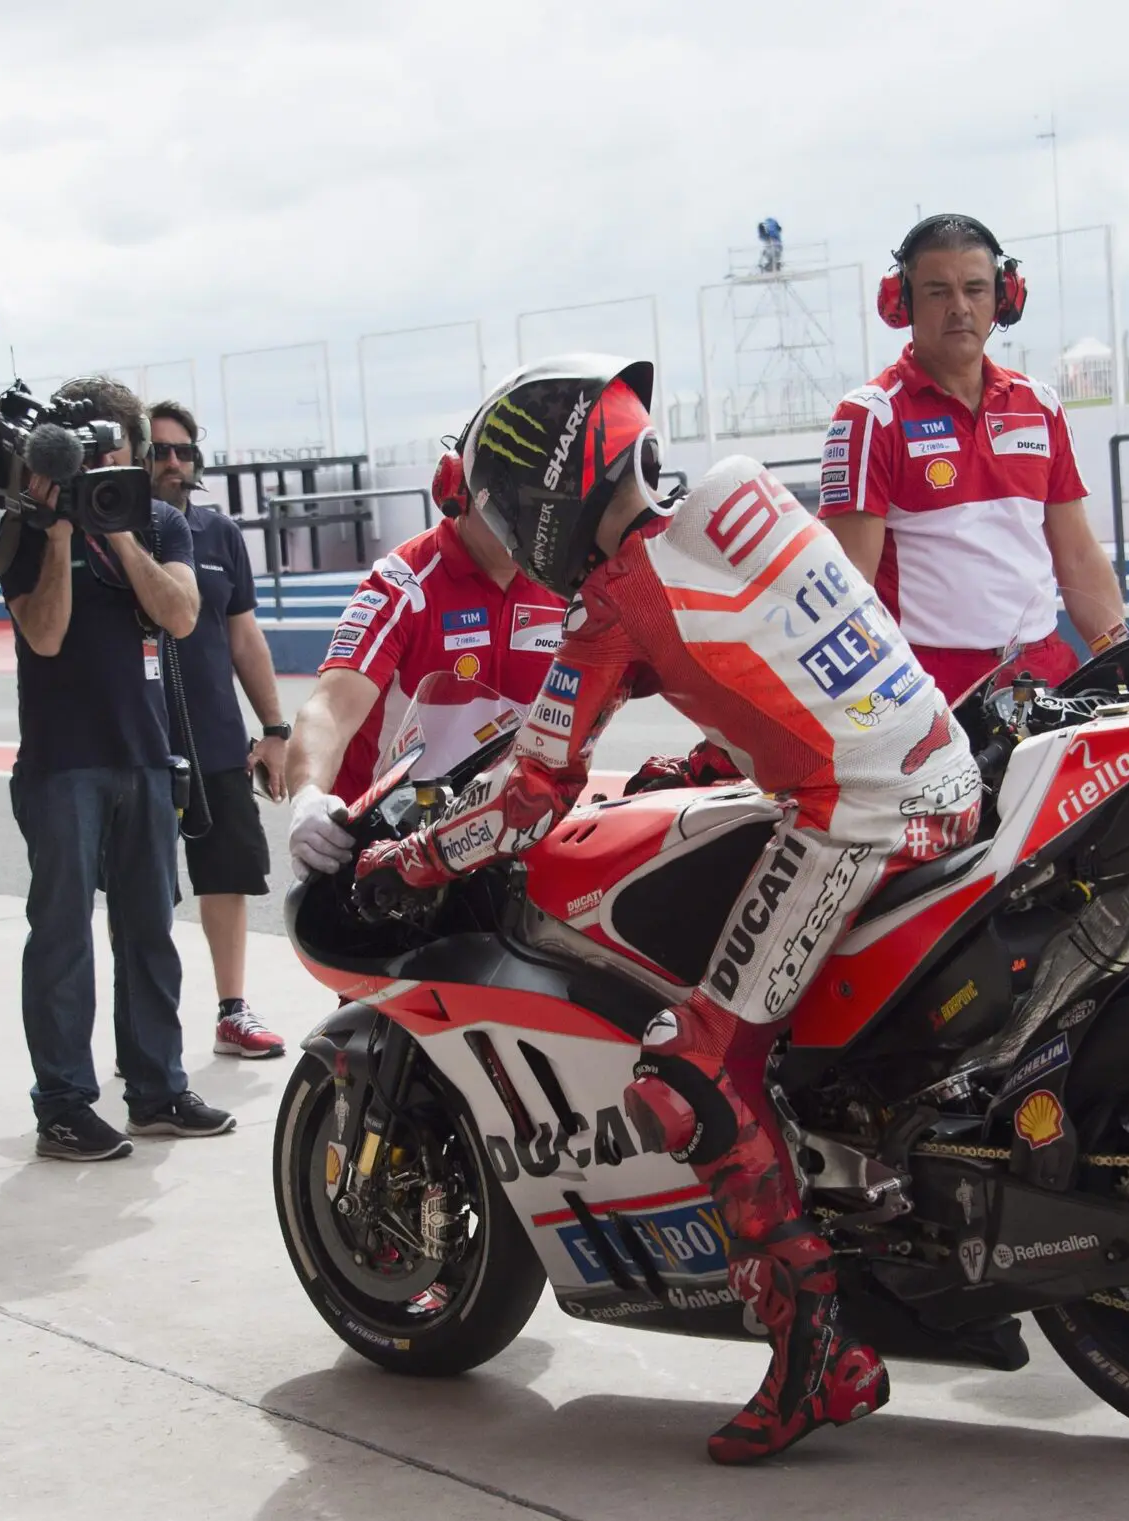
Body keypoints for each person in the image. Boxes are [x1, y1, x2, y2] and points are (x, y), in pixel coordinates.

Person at [337, 357, 982, 1464]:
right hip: (946, 771)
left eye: (506, 501)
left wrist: (411, 860)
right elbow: (780, 656)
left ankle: (817, 1351)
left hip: (859, 814)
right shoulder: (742, 493)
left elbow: (531, 795)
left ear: (545, 497)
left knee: (692, 1069)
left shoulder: (612, 602)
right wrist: (706, 754)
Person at [0, 377, 232, 1159]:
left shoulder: (161, 521)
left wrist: (121, 532)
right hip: (62, 762)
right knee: (62, 939)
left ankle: (157, 1091)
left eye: (110, 448)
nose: (99, 463)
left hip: (145, 757)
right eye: (85, 451)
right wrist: (61, 532)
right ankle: (64, 1105)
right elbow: (45, 636)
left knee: (150, 935)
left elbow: (182, 615)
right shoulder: (26, 526)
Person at [820, 213, 1129, 704]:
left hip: (1044, 673)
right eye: (937, 292)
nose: (959, 307)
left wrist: (1126, 661)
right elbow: (849, 585)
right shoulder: (870, 417)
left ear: (1003, 298)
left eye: (975, 289)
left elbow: (1077, 555)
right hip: (928, 689)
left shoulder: (1040, 405)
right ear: (903, 302)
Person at [282, 442, 561, 880]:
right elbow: (329, 709)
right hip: (387, 845)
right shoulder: (402, 584)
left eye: (543, 507)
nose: (529, 524)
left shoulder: (565, 583)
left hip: (508, 834)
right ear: (458, 491)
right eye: (511, 504)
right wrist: (308, 797)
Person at [145, 400, 289, 1058]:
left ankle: (233, 1011)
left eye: (183, 451)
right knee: (142, 889)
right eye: (158, 451)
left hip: (216, 740)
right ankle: (145, 1028)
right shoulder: (114, 535)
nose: (173, 462)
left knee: (227, 875)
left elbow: (244, 636)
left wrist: (274, 728)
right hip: (140, 746)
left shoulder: (220, 533)